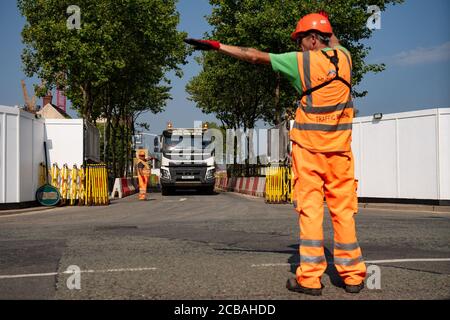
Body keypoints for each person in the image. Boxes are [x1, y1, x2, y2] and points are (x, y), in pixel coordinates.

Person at [185, 11, 366, 296]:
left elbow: (255, 56)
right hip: (341, 154)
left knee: (311, 213)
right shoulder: (346, 57)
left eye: (301, 39)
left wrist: (219, 46)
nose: (299, 46)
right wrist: (323, 20)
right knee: (344, 213)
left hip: (309, 152)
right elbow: (334, 40)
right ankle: (353, 276)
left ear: (313, 39)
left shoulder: (300, 62)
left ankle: (310, 279)